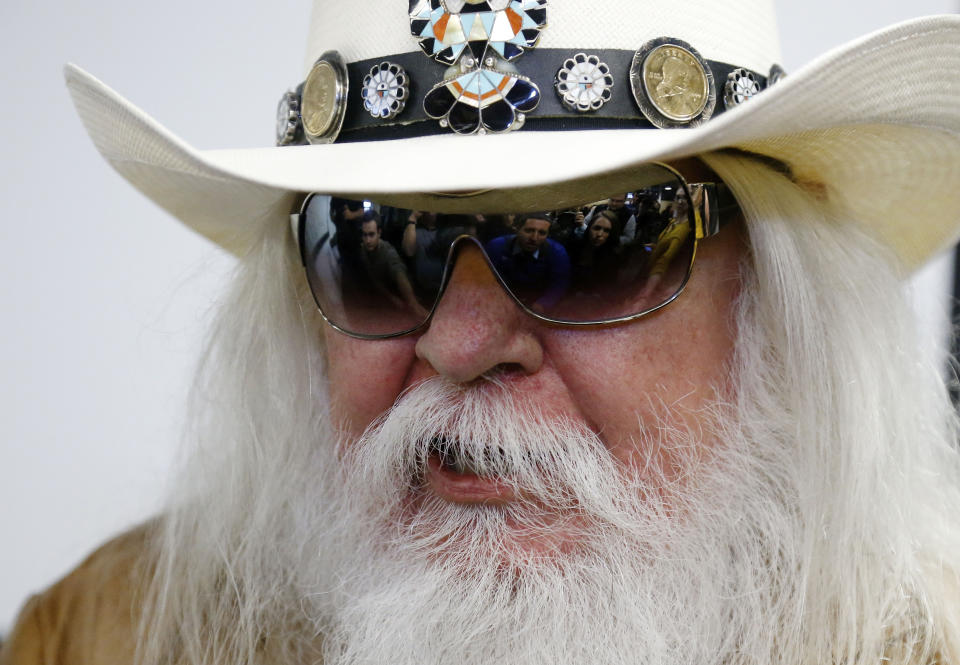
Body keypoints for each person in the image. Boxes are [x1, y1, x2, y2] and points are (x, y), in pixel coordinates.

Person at [4, 2, 960, 665]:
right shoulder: (102, 636)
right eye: (380, 247)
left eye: (594, 246)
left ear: (772, 306)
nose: (459, 345)